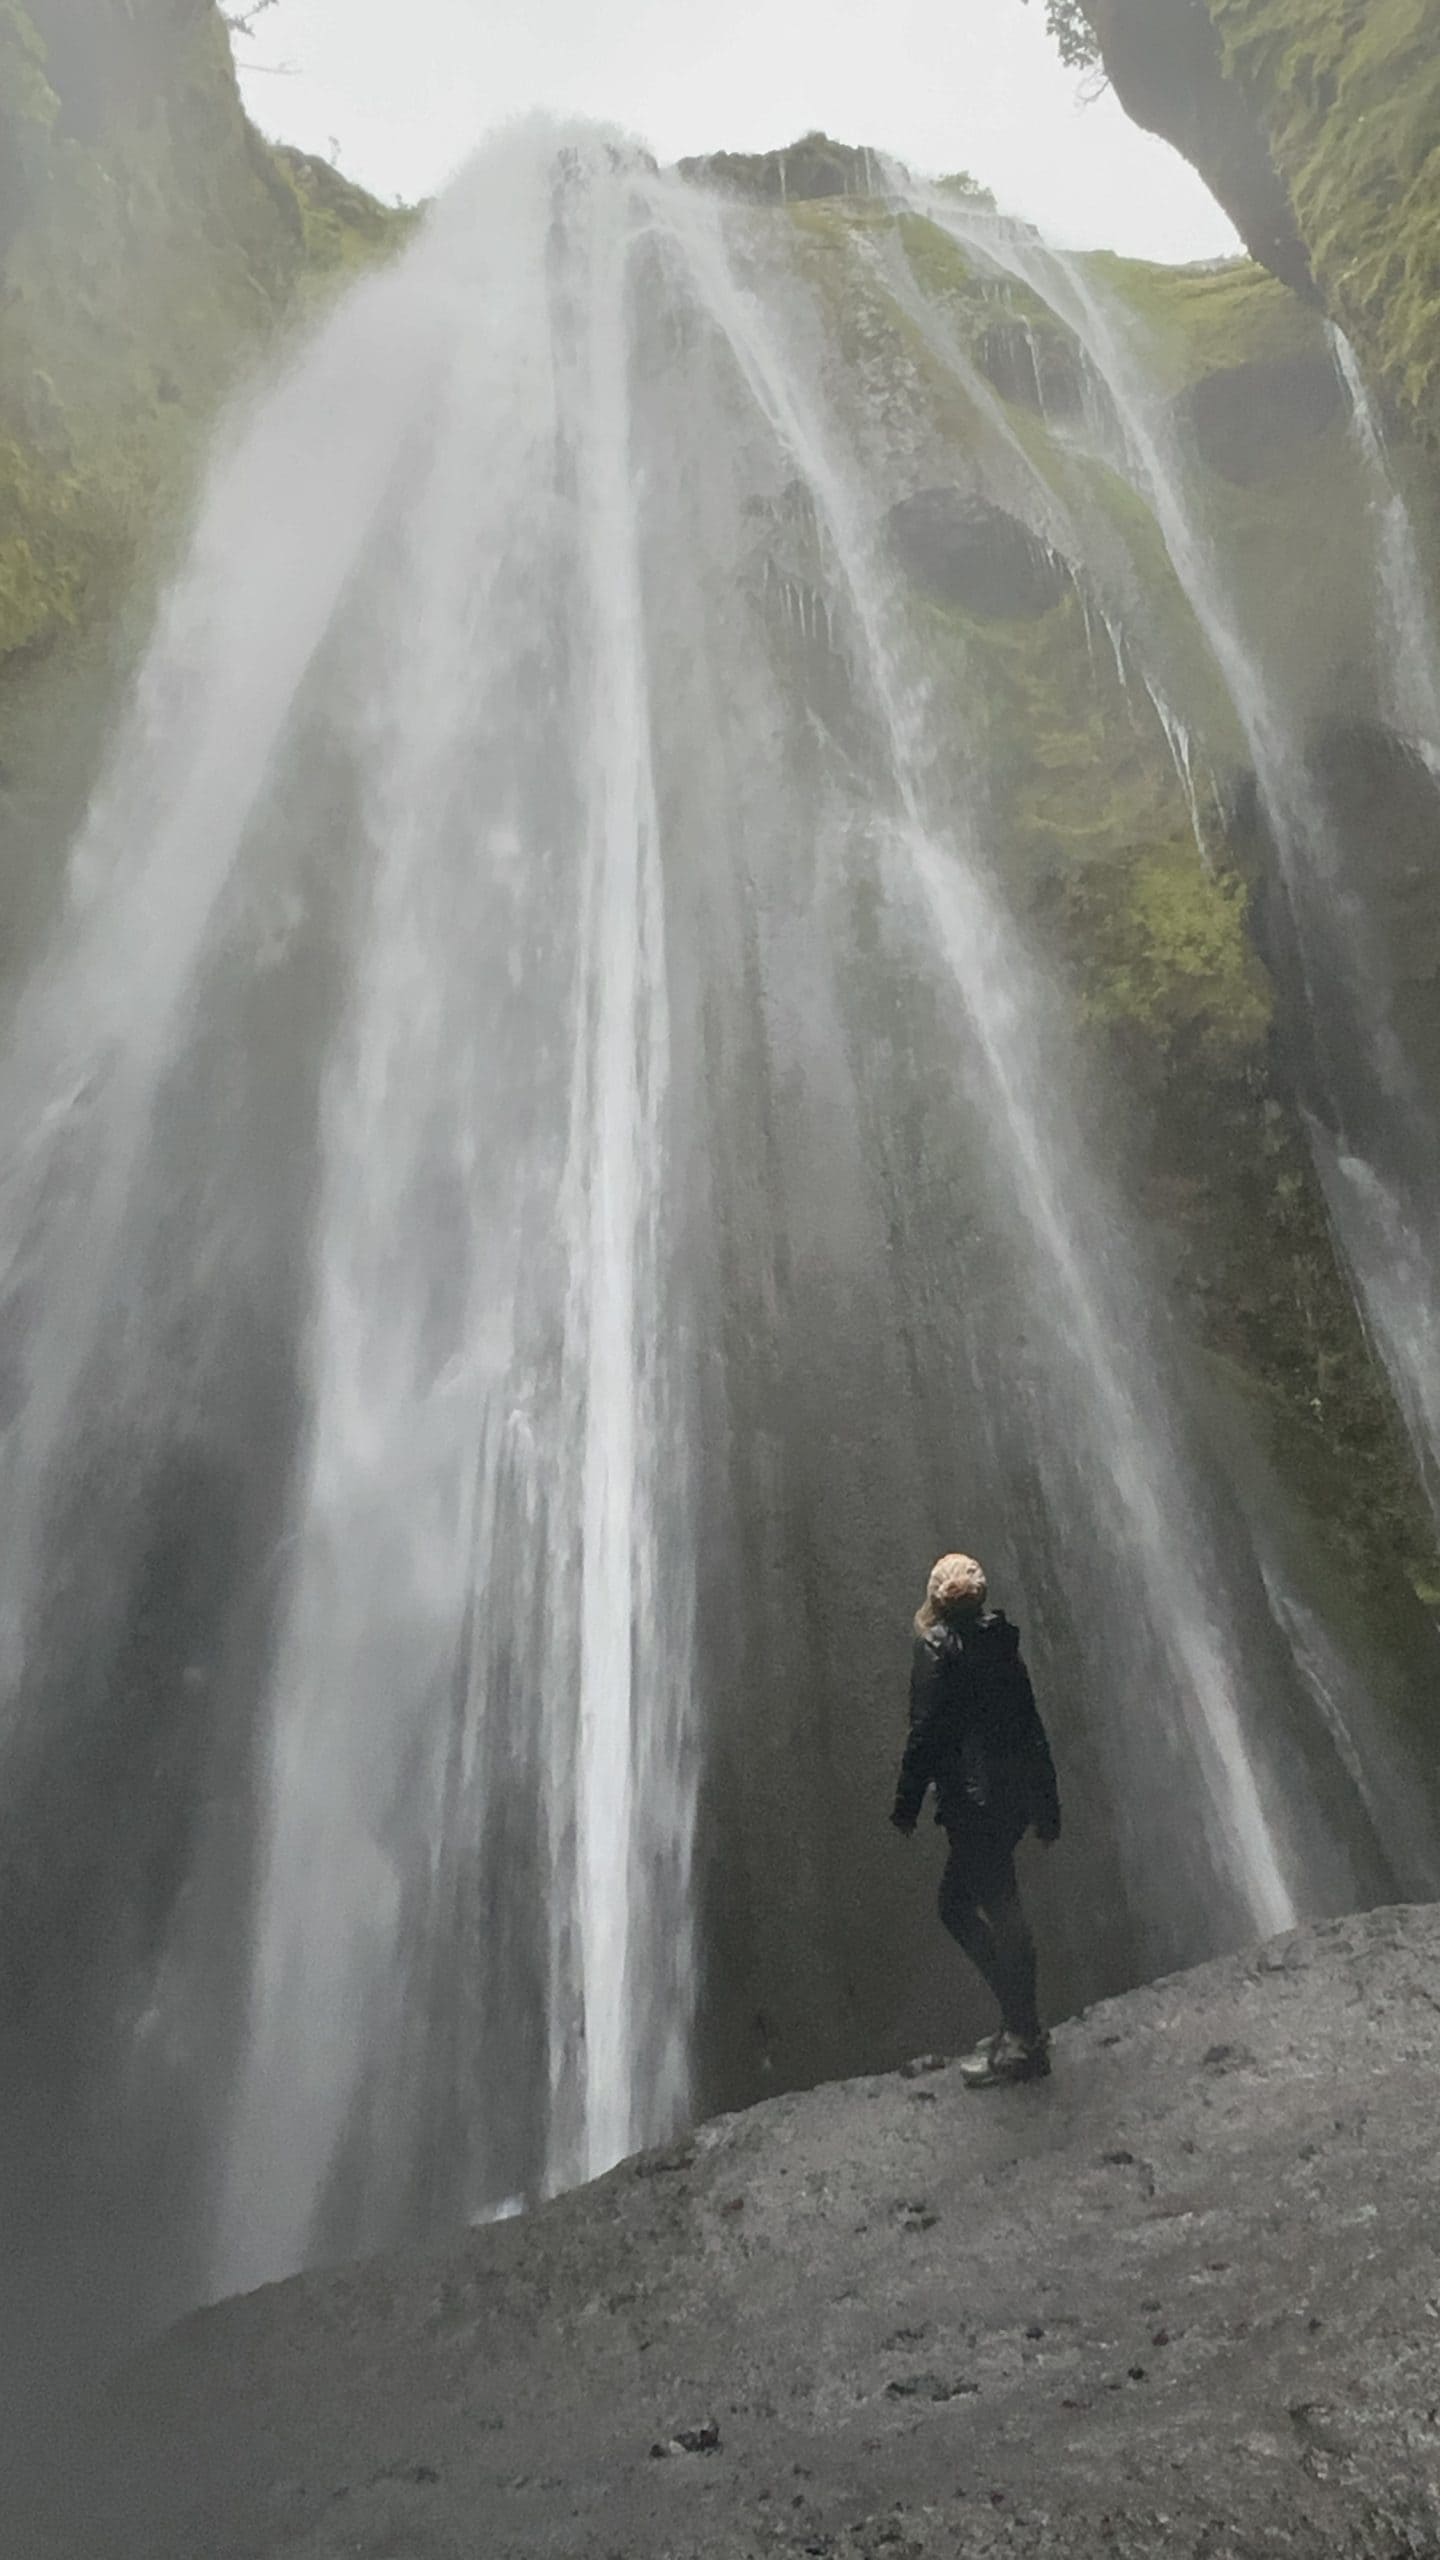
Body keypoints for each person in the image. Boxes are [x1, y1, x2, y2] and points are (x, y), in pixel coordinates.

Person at [890, 1552, 1060, 2087]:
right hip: (1008, 1800)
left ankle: (1024, 2035)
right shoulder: (1001, 1642)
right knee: (991, 1905)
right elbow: (1031, 1727)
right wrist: (1047, 1802)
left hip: (974, 1805)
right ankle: (1019, 2024)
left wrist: (906, 1804)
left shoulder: (935, 1649)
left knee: (973, 1909)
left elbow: (924, 1736)